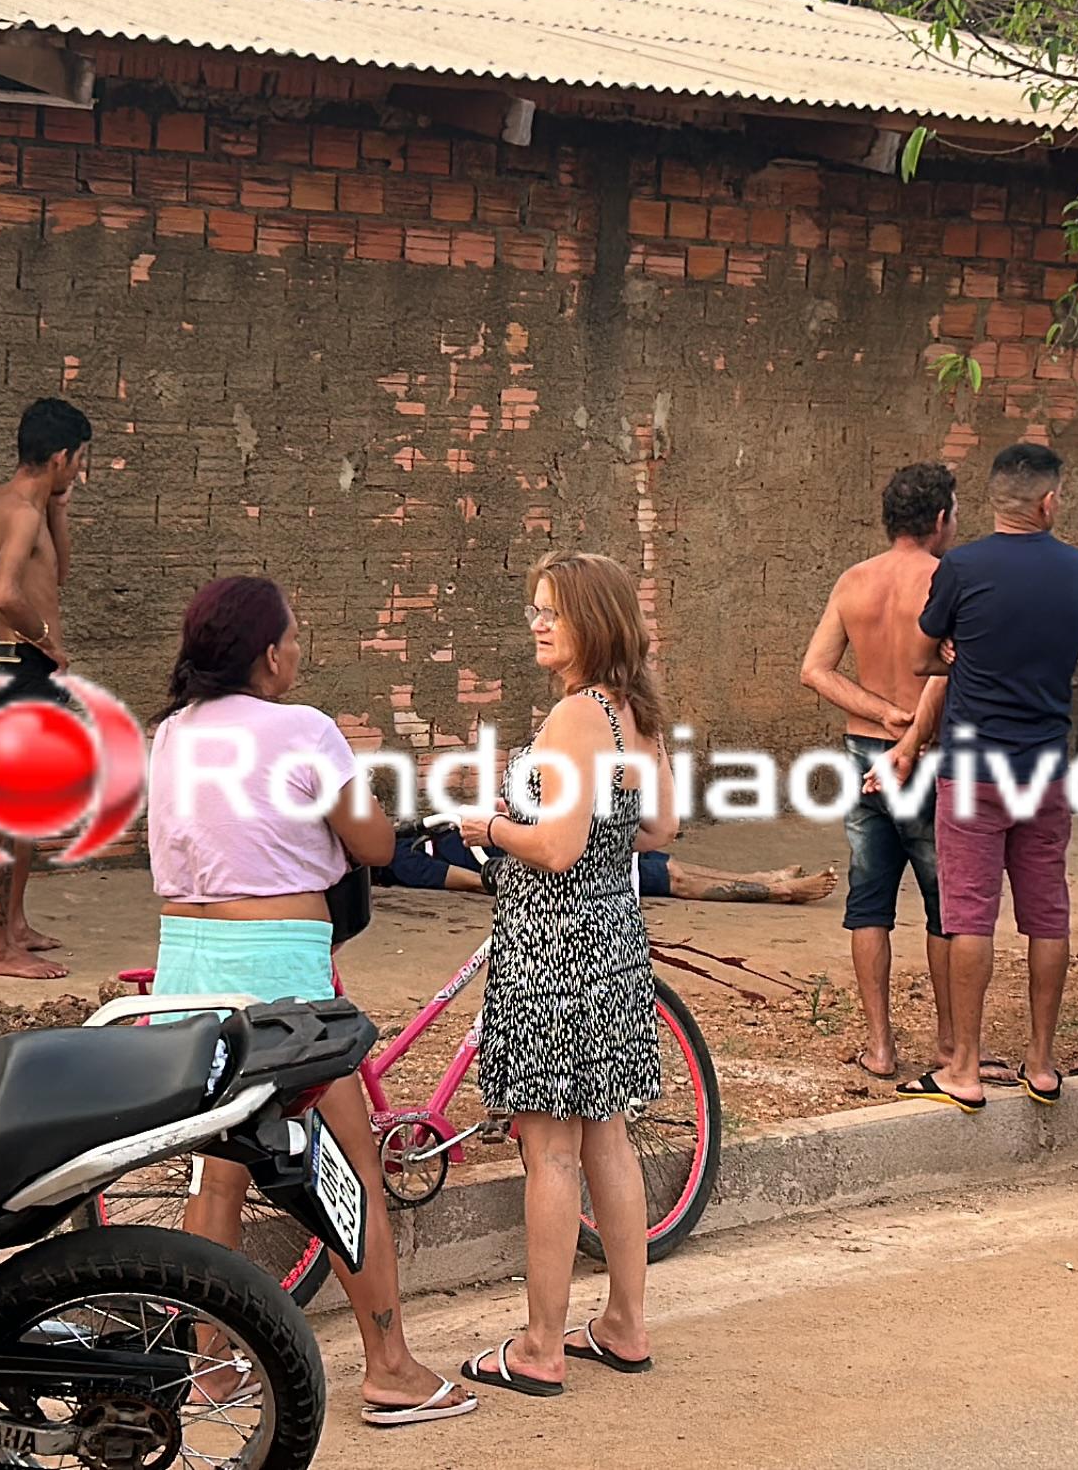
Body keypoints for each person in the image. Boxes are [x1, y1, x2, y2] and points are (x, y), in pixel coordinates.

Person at [142, 577, 465, 1427]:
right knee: (354, 1171)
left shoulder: (171, 734)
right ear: (267, 652)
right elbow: (372, 843)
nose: (301, 649)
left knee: (217, 1177)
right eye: (295, 635)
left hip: (185, 972)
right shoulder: (305, 730)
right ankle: (391, 1367)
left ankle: (210, 1371)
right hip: (283, 985)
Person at [452, 553, 670, 1398]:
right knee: (605, 1135)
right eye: (534, 608)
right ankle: (624, 1325)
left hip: (554, 947)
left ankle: (541, 1346)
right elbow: (660, 827)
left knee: (550, 1151)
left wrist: (491, 824)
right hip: (615, 943)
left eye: (553, 611)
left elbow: (556, 847)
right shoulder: (634, 712)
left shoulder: (576, 715)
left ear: (594, 620)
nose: (537, 623)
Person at [883, 443, 1078, 1112]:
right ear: (1050, 501)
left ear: (995, 499)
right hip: (1045, 765)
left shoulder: (964, 566)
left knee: (970, 914)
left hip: (974, 766)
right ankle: (1041, 1063)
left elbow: (923, 658)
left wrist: (955, 651)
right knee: (1048, 915)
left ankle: (967, 1067)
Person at [800, 462, 961, 1079]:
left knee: (869, 903)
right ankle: (950, 1043)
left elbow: (815, 669)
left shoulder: (854, 581)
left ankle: (880, 1046)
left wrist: (881, 712)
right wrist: (913, 725)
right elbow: (953, 670)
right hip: (927, 754)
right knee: (945, 906)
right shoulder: (948, 580)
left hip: (864, 750)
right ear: (941, 518)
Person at [0, 397, 92, 979]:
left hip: (24, 671)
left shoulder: (17, 505)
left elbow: (56, 576)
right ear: (62, 455)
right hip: (15, 667)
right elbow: (4, 592)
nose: (81, 473)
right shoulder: (17, 511)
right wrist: (48, 640)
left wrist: (60, 509)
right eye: (79, 461)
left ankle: (14, 925)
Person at [380, 826, 830, 905]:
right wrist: (503, 876)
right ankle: (781, 892)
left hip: (549, 846)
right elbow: (470, 880)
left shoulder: (404, 835)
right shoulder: (396, 857)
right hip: (544, 866)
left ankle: (759, 878)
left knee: (663, 863)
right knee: (672, 879)